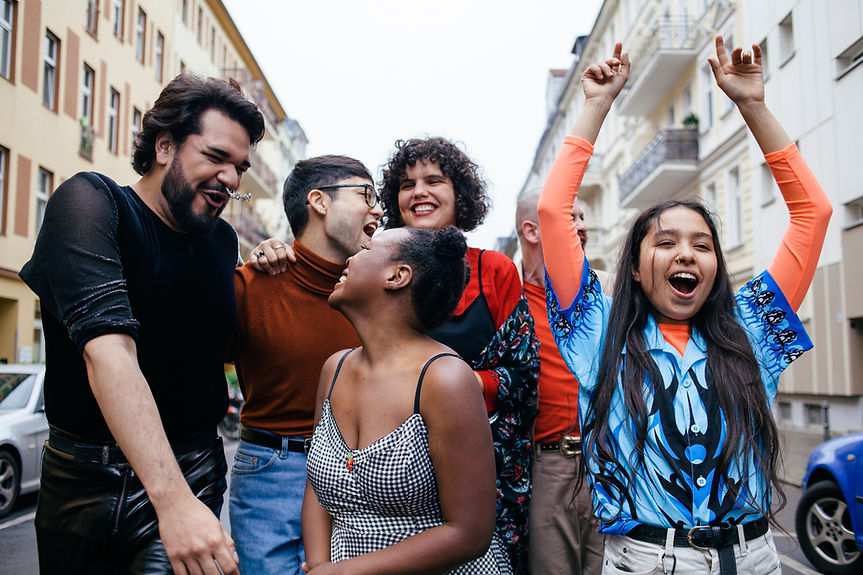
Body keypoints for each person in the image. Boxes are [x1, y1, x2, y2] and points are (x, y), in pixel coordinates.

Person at [538, 38, 831, 574]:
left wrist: (753, 106)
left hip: (757, 558)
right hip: (647, 560)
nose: (686, 254)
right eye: (666, 242)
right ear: (633, 264)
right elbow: (553, 213)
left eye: (702, 244)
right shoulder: (597, 331)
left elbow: (812, 213)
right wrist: (596, 105)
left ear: (716, 264)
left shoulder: (753, 325)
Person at [20, 73, 265, 575]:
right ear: (165, 145)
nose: (232, 179)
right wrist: (172, 504)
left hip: (194, 467)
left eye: (239, 167)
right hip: (83, 483)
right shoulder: (91, 201)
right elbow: (108, 353)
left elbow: (217, 350)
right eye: (216, 157)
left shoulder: (222, 244)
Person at [301, 225, 511, 574]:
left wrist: (343, 572)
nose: (350, 258)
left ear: (397, 276)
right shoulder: (333, 369)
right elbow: (316, 492)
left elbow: (470, 532)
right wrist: (320, 565)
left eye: (366, 249)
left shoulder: (445, 378)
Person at [379, 137, 539, 574]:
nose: (419, 192)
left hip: (486, 475)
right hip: (394, 480)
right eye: (407, 184)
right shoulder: (377, 269)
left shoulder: (494, 270)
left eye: (434, 180)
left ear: (460, 195)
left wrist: (454, 388)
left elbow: (525, 376)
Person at [228, 155, 383, 574]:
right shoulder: (251, 286)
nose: (379, 209)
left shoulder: (378, 294)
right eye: (366, 194)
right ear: (318, 201)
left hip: (358, 473)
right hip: (272, 469)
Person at [514, 189, 604, 574]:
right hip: (548, 467)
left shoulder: (599, 293)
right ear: (532, 231)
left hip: (607, 462)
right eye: (573, 218)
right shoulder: (506, 297)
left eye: (583, 218)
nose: (583, 227)